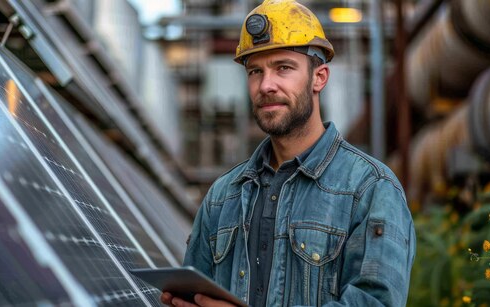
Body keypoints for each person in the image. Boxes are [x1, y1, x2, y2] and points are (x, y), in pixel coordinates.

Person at [161, 0, 416, 306]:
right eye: (255, 71)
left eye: (283, 67)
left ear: (319, 77)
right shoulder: (222, 196)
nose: (266, 85)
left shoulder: (370, 189)